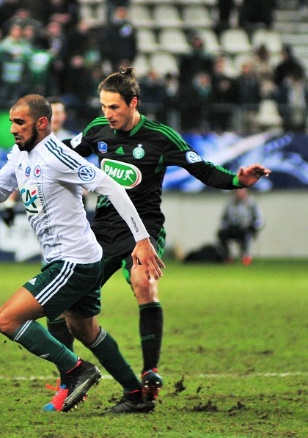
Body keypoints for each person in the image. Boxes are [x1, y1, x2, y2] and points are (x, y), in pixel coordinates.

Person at [43, 67, 271, 412]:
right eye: (103, 107)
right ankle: (71, 380)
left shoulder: (161, 137)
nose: (107, 114)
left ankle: (150, 372)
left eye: (114, 107)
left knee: (143, 282)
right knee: (66, 310)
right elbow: (61, 155)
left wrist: (237, 181)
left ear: (133, 103)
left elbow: (203, 169)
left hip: (144, 232)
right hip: (103, 230)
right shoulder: (97, 130)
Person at [0, 94, 165, 413]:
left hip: (74, 262)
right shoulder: (19, 154)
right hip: (72, 259)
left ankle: (76, 371)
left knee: (6, 319)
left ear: (42, 123)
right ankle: (135, 394)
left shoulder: (58, 156)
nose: (13, 129)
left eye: (20, 123)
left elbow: (111, 186)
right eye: (11, 122)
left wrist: (142, 239)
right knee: (85, 329)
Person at [1, 96, 76, 226]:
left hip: (64, 203)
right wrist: (9, 205)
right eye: (53, 114)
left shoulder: (72, 141)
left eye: (58, 113)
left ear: (64, 115)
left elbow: (79, 173)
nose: (55, 118)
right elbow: (18, 172)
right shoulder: (31, 140)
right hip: (38, 200)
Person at [217, 188, 263, 265]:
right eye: (238, 191)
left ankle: (245, 256)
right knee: (221, 234)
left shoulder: (252, 203)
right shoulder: (230, 203)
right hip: (232, 228)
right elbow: (223, 219)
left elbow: (260, 219)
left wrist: (253, 226)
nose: (240, 193)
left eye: (242, 191)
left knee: (247, 235)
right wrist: (224, 226)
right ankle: (228, 256)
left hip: (246, 228)